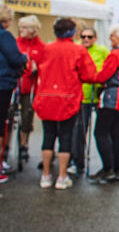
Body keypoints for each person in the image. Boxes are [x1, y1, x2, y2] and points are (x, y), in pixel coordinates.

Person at [33, 18, 96, 189]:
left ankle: (46, 175)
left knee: (48, 136)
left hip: (46, 97)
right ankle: (62, 176)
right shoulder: (78, 50)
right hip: (68, 98)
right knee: (65, 137)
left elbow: (35, 67)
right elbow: (89, 75)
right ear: (73, 32)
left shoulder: (46, 48)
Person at [88, 23, 119, 182]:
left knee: (101, 132)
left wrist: (90, 76)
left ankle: (108, 168)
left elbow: (103, 75)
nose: (110, 38)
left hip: (113, 95)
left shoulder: (116, 54)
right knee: (116, 133)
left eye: (113, 36)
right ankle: (117, 169)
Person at [70, 27, 110, 176]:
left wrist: (99, 77)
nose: (86, 39)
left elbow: (108, 68)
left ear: (95, 38)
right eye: (83, 36)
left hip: (98, 94)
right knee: (79, 131)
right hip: (81, 96)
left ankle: (108, 165)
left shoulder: (102, 50)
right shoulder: (76, 50)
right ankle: (77, 161)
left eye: (89, 36)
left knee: (101, 131)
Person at [0, 5, 27, 183]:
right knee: (1, 123)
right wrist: (24, 58)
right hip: (3, 83)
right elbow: (16, 59)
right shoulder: (4, 36)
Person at [15, 15, 45, 164]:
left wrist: (37, 68)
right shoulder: (15, 43)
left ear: (33, 29)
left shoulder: (41, 47)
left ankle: (23, 144)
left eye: (24, 27)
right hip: (15, 86)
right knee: (8, 116)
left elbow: (44, 68)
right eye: (20, 27)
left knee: (27, 117)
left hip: (30, 88)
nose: (21, 30)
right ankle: (5, 146)